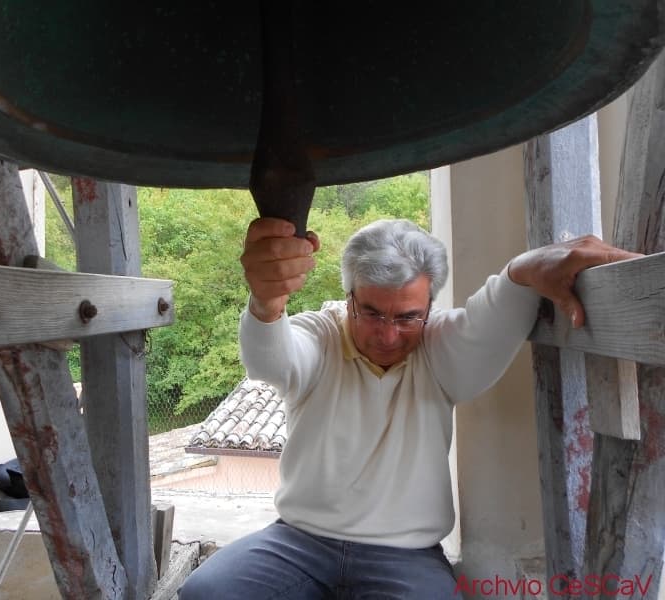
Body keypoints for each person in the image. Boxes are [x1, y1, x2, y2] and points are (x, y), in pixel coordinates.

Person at [179, 217, 639, 600]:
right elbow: (270, 359)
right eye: (372, 313)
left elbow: (494, 312)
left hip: (405, 555)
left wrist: (523, 268)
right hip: (298, 541)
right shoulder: (320, 335)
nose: (387, 334)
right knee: (206, 592)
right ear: (349, 299)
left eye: (406, 317)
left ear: (429, 306)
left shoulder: (440, 347)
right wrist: (265, 302)